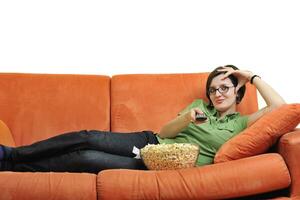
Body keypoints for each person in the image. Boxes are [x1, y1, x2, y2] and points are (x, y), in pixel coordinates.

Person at [0, 65, 285, 174]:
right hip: (151, 141)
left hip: (156, 164)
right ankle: (10, 154)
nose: (217, 93)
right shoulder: (200, 106)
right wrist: (187, 118)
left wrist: (253, 76)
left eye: (225, 87)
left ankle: (14, 168)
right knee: (89, 136)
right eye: (213, 89)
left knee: (85, 157)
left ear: (238, 90)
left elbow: (280, 107)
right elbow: (165, 131)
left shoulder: (243, 123)